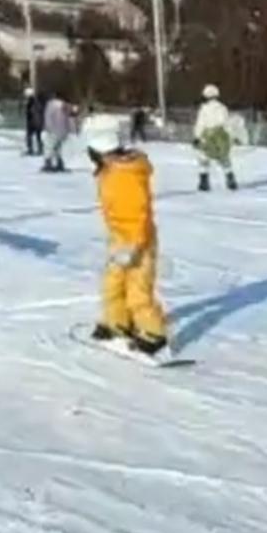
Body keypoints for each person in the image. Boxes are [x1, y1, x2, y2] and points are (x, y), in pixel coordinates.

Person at [80, 113, 169, 360]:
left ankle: (154, 333)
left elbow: (137, 214)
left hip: (137, 240)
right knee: (112, 282)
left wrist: (133, 245)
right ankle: (117, 322)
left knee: (138, 288)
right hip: (120, 238)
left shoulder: (124, 175)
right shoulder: (112, 169)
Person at [194, 84, 237, 192]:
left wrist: (197, 137)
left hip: (207, 135)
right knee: (224, 158)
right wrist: (231, 136)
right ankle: (230, 179)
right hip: (220, 135)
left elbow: (200, 124)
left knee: (203, 158)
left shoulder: (204, 109)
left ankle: (204, 182)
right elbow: (227, 124)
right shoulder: (222, 108)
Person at [42, 93, 70, 173]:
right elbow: (68, 118)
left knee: (49, 147)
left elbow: (48, 117)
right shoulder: (65, 105)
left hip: (53, 130)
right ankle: (59, 163)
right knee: (58, 147)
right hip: (62, 131)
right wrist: (69, 129)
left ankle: (48, 163)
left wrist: (48, 127)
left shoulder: (50, 105)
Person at [24, 87, 45, 156]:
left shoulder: (31, 102)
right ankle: (40, 149)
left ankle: (31, 149)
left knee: (29, 136)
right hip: (38, 122)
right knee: (38, 137)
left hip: (33, 122)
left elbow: (30, 113)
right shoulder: (38, 101)